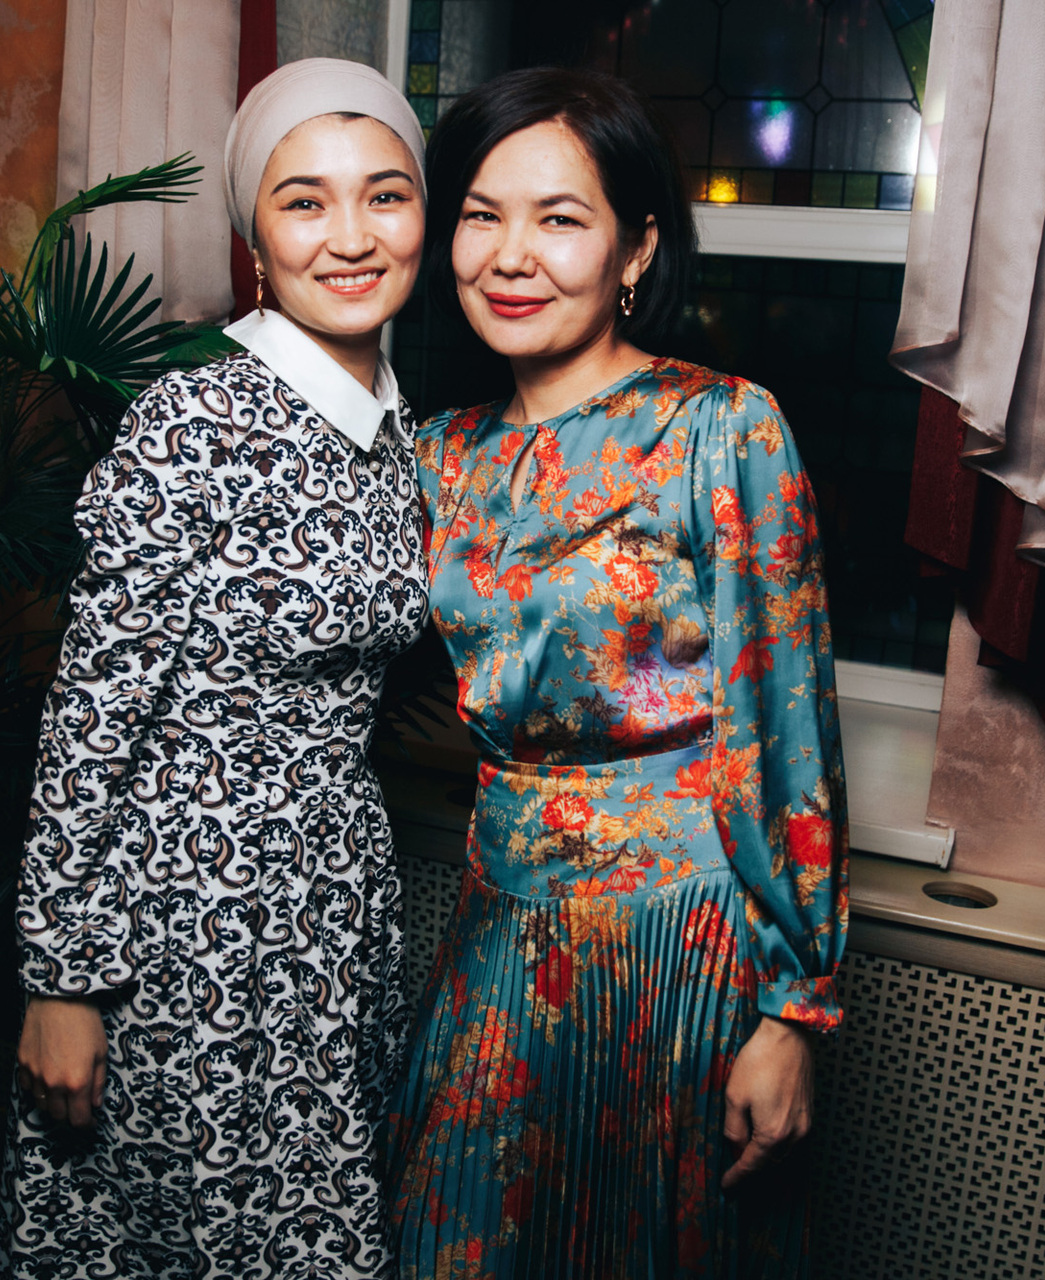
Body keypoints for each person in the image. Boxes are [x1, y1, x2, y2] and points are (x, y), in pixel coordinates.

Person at [388, 67, 848, 1278]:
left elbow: (785, 726)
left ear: (636, 247)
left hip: (680, 943)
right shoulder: (435, 455)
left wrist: (793, 1013)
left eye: (559, 218)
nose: (511, 255)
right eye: (480, 216)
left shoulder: (722, 428)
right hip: (499, 928)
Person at [0, 59, 430, 1280]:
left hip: (334, 913)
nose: (351, 235)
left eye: (385, 194)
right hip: (191, 927)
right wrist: (62, 980)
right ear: (255, 242)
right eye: (305, 201)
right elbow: (91, 713)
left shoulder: (396, 427)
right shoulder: (193, 422)